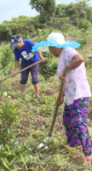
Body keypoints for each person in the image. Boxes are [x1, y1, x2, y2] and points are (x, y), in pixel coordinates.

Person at [32, 32, 92, 163]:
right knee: (67, 120)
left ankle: (89, 153)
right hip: (70, 94)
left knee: (77, 122)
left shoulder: (68, 51)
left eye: (50, 48)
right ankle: (73, 145)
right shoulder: (62, 57)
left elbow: (79, 59)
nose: (49, 51)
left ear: (54, 46)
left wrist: (66, 69)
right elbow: (64, 80)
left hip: (78, 94)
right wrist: (60, 97)